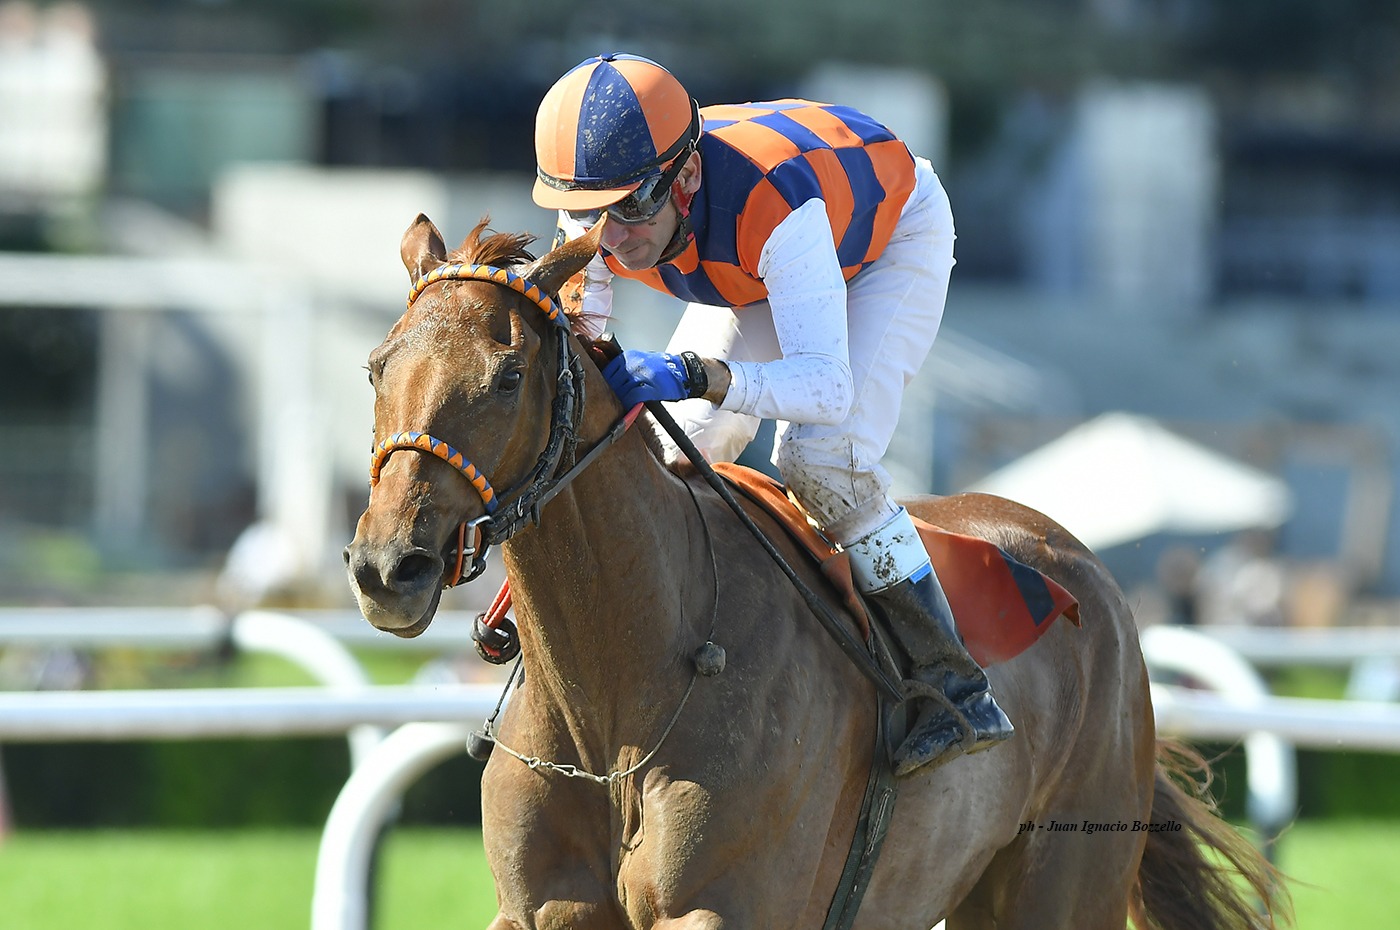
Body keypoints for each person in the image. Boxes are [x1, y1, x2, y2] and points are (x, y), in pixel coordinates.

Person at [532, 52, 1011, 776]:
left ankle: (954, 684)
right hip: (757, 256)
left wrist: (695, 373)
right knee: (673, 449)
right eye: (588, 215)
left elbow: (827, 389)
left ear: (686, 178)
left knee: (820, 459)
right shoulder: (599, 216)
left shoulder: (772, 206)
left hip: (886, 238)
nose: (611, 240)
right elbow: (587, 350)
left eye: (630, 209)